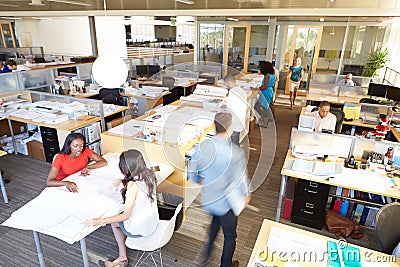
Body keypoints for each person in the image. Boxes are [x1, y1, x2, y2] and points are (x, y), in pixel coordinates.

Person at [188, 112, 251, 267]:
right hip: (226, 203)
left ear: (214, 127)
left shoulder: (203, 146)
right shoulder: (235, 153)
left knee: (215, 225)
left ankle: (205, 258)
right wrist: (246, 196)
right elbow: (241, 181)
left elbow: (191, 171)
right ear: (230, 128)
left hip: (209, 200)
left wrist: (200, 181)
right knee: (230, 237)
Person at [85, 149, 159, 267]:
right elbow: (155, 168)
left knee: (115, 222)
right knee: (120, 212)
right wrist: (121, 180)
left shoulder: (133, 186)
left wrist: (101, 221)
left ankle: (122, 257)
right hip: (153, 223)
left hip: (140, 229)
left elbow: (126, 216)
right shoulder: (150, 175)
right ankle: (122, 256)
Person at [223, 74, 248, 145]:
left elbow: (229, 110)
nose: (226, 87)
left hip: (234, 123)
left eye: (225, 84)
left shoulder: (232, 92)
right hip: (240, 121)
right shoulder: (242, 91)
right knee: (236, 142)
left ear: (229, 83)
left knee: (234, 145)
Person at [256, 61, 276, 128]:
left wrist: (256, 88)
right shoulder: (273, 75)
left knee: (261, 107)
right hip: (270, 91)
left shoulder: (267, 76)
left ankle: (265, 122)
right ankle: (268, 118)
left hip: (266, 92)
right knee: (267, 107)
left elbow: (265, 86)